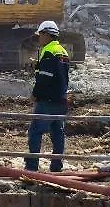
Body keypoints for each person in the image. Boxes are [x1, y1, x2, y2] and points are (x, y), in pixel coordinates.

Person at [25, 20, 70, 173]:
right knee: (57, 133)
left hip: (47, 100)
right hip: (61, 99)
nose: (39, 38)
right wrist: (39, 65)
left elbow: (45, 77)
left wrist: (35, 94)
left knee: (36, 131)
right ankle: (56, 167)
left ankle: (31, 167)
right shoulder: (61, 51)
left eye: (40, 35)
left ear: (46, 34)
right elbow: (57, 73)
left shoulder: (48, 51)